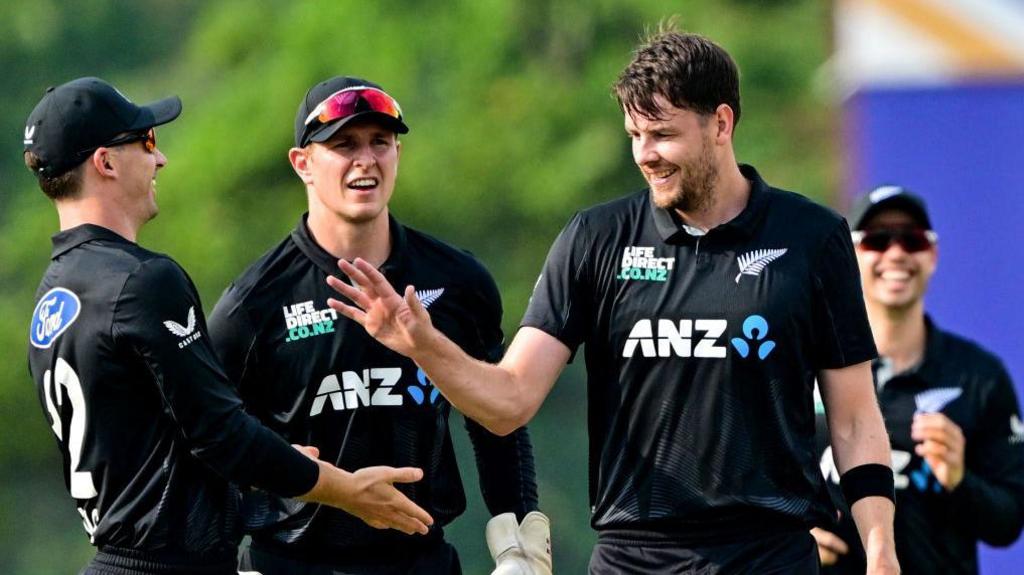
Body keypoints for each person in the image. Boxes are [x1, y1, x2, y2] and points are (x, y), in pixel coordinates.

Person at [327, 28, 900, 574]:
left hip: (770, 555)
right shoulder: (596, 238)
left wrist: (880, 552)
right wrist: (422, 345)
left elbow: (852, 419)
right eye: (634, 136)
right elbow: (510, 401)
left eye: (663, 134)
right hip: (634, 555)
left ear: (721, 123)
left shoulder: (813, 238)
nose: (645, 154)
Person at [24, 77, 433, 575]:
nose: (160, 160)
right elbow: (221, 434)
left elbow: (158, 455)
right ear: (105, 163)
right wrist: (345, 489)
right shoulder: (142, 280)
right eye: (147, 142)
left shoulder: (55, 293)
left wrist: (273, 466)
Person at [207, 76, 550, 575]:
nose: (365, 160)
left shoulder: (456, 281)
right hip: (291, 563)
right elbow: (212, 445)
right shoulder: (252, 305)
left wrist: (516, 540)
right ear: (302, 164)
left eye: (380, 143)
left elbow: (496, 421)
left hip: (422, 561)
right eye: (344, 145)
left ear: (398, 154)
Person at [812, 186, 1024, 574]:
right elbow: (741, 487)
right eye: (877, 240)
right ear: (849, 257)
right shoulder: (806, 368)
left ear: (932, 255)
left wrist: (961, 480)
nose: (896, 254)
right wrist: (789, 536)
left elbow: (1008, 523)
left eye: (912, 240)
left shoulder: (978, 376)